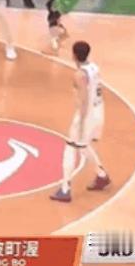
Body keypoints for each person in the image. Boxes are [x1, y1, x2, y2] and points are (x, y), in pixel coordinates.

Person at [50, 41, 110, 202]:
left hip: (87, 114)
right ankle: (101, 175)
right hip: (99, 110)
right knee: (83, 146)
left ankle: (65, 189)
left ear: (74, 55)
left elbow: (84, 100)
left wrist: (82, 123)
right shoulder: (95, 68)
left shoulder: (79, 75)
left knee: (70, 146)